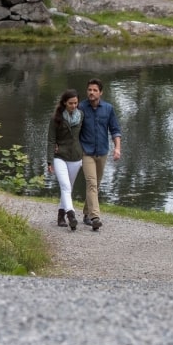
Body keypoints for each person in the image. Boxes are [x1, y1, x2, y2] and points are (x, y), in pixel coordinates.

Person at [78, 77, 122, 232]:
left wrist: (117, 148)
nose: (91, 92)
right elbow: (74, 129)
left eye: (95, 90)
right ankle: (95, 217)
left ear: (100, 93)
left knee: (95, 185)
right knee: (91, 183)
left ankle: (85, 213)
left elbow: (115, 130)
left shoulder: (108, 109)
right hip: (86, 152)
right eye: (89, 90)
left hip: (102, 152)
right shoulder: (80, 107)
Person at [46, 89, 84, 231]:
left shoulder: (81, 116)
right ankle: (71, 215)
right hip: (59, 156)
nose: (74, 106)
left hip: (75, 157)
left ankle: (60, 215)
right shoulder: (56, 118)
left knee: (67, 188)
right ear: (64, 103)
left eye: (76, 103)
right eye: (71, 103)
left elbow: (85, 135)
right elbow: (51, 140)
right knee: (66, 186)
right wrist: (49, 160)